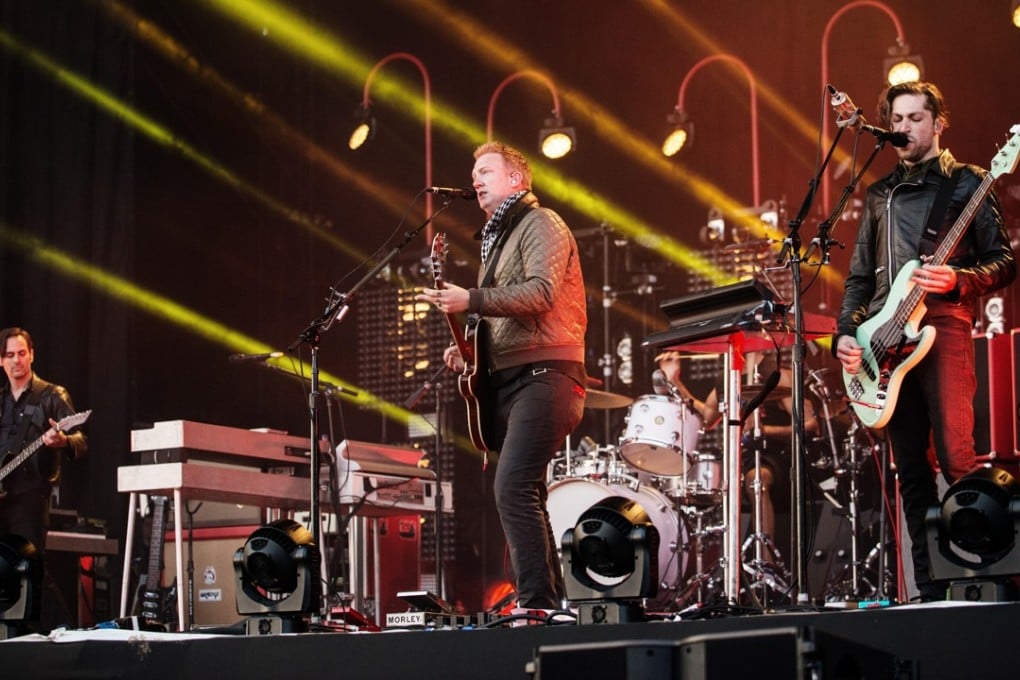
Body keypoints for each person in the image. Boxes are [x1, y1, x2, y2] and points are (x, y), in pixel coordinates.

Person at [834, 81, 1015, 602]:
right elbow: (860, 280)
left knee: (959, 458)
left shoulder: (969, 182)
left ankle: (994, 579)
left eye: (917, 117)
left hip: (946, 327)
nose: (905, 127)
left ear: (938, 124)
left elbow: (1004, 261)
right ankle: (930, 590)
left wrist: (959, 280)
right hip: (885, 341)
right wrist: (847, 336)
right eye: (898, 118)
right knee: (911, 470)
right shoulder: (879, 194)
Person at [417, 142, 587, 611]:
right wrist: (470, 351)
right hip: (516, 378)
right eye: (473, 171)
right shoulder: (498, 239)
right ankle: (549, 602)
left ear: (517, 180)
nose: (475, 178)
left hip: (547, 373)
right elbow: (507, 314)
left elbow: (540, 293)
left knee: (511, 485)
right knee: (525, 489)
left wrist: (471, 299)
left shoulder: (540, 222)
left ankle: (535, 602)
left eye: (486, 170)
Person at [0, 327, 88, 630]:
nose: (16, 361)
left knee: (29, 565)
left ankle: (62, 633)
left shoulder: (51, 395)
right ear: (1, 361)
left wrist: (63, 441)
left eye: (21, 353)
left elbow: (80, 438)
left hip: (29, 494)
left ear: (32, 354)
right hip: (2, 495)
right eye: (9, 355)